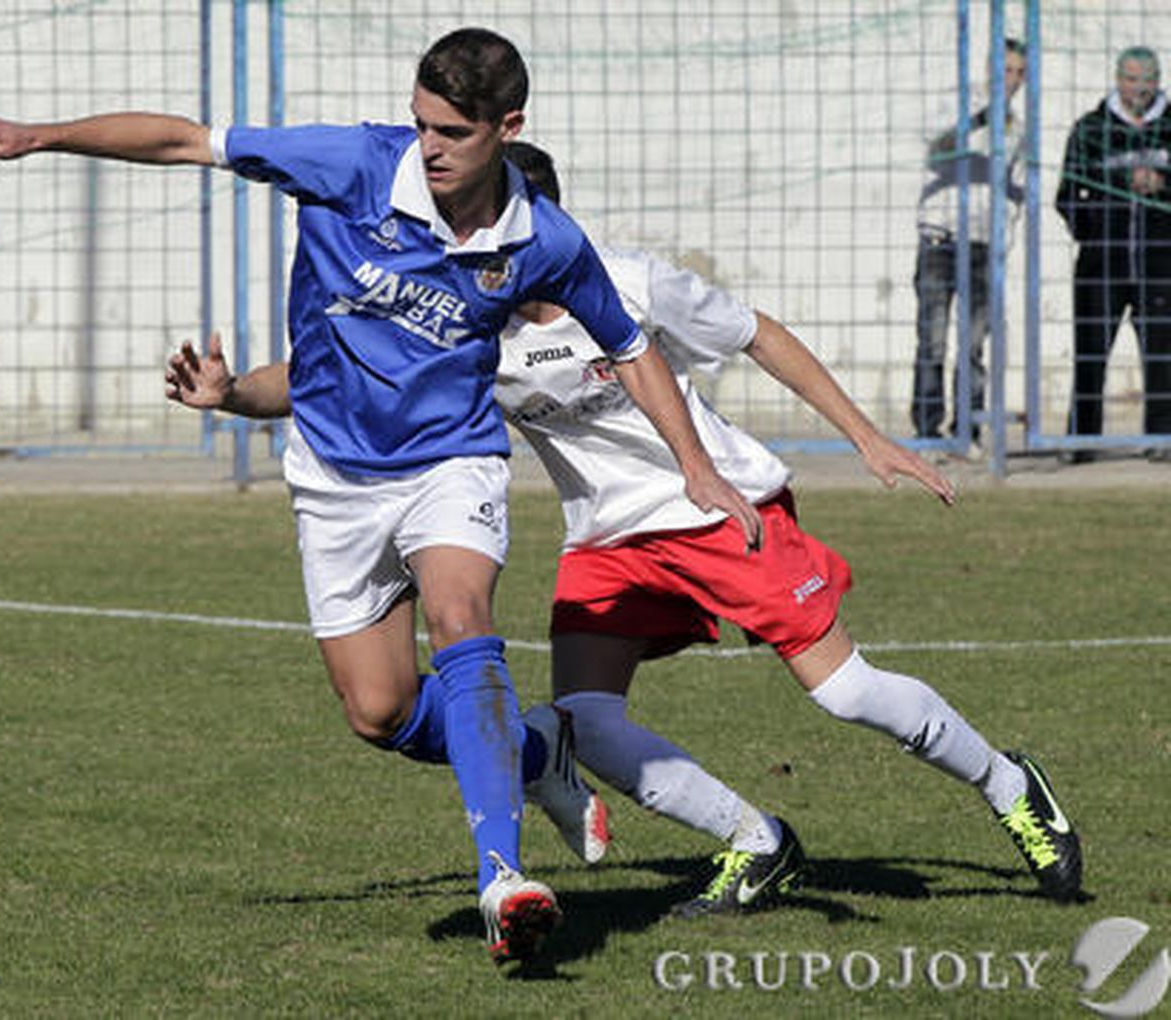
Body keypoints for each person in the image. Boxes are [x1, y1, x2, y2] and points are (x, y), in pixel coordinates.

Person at [0, 28, 762, 964]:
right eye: (421, 125)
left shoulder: (542, 238)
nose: (431, 147)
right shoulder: (351, 165)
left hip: (451, 461)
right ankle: (534, 756)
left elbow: (629, 343)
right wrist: (38, 135)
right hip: (333, 476)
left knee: (463, 620)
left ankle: (503, 877)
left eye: (453, 130)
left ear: (508, 127)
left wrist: (695, 464)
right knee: (378, 711)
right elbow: (185, 141)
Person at [169, 141, 1085, 915]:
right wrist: (233, 396)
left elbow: (757, 333)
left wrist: (867, 436)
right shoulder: (466, 318)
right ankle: (757, 840)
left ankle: (1011, 786)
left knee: (843, 693)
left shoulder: (631, 283)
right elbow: (330, 377)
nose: (470, 249)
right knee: (588, 723)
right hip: (607, 541)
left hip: (719, 512)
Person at [1056, 45, 1171, 462]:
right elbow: (1066, 196)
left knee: (1163, 353)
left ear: (1158, 81)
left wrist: (1161, 187)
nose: (1138, 89)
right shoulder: (1090, 129)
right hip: (1101, 263)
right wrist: (1097, 227)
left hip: (1161, 262)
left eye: (1146, 80)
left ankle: (1162, 439)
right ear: (1117, 79)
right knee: (1090, 351)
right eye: (1130, 79)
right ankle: (1080, 441)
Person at [911, 38, 1027, 446]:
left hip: (980, 247)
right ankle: (927, 431)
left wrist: (1002, 237)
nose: (1011, 80)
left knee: (973, 345)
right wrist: (979, 117)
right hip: (940, 241)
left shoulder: (1016, 128)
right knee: (933, 339)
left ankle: (966, 430)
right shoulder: (956, 104)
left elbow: (1017, 190)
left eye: (1018, 73)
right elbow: (933, 147)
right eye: (1005, 70)